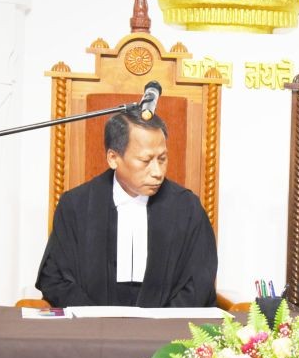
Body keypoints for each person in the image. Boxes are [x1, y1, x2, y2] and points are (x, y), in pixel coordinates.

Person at [36, 109, 218, 308]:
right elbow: (55, 278)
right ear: (113, 158)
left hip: (166, 332)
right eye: (146, 161)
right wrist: (97, 322)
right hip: (93, 330)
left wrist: (160, 325)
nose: (157, 172)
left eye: (162, 159)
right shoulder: (76, 205)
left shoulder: (187, 208)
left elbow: (199, 281)